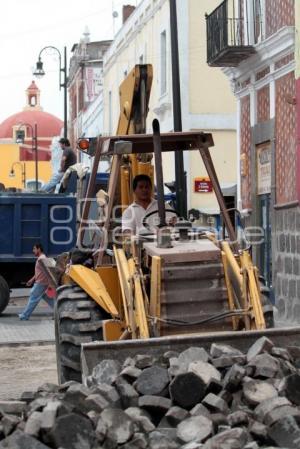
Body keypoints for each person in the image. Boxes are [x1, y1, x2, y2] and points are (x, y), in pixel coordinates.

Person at [19, 243, 54, 320]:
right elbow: (40, 272)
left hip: (41, 283)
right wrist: (32, 280)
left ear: (39, 249)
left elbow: (47, 271)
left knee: (33, 298)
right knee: (49, 299)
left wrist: (50, 283)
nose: (33, 251)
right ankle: (59, 313)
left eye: (34, 249)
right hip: (42, 282)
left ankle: (24, 316)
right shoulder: (41, 258)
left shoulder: (41, 259)